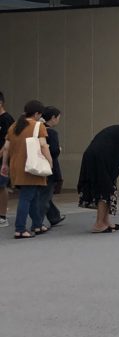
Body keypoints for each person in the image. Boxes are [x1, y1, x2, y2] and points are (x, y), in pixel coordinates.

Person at [77, 117, 119, 233]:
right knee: (105, 189)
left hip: (91, 156)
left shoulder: (114, 132)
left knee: (107, 187)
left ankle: (106, 221)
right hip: (101, 160)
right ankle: (99, 224)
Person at [3, 100, 51, 239]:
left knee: (33, 195)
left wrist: (4, 165)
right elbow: (43, 146)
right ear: (36, 114)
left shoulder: (14, 126)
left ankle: (37, 224)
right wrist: (50, 161)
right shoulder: (38, 126)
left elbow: (6, 148)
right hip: (31, 166)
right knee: (26, 197)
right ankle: (20, 229)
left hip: (16, 166)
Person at [38, 106, 65, 228]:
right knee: (45, 195)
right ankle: (38, 222)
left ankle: (54, 216)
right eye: (58, 118)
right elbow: (54, 151)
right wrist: (59, 149)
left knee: (44, 194)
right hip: (49, 167)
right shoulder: (51, 132)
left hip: (38, 165)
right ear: (53, 117)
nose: (58, 120)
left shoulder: (37, 129)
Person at [0, 90, 13, 227]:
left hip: (2, 160)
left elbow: (8, 142)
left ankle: (2, 216)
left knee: (1, 186)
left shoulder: (7, 119)